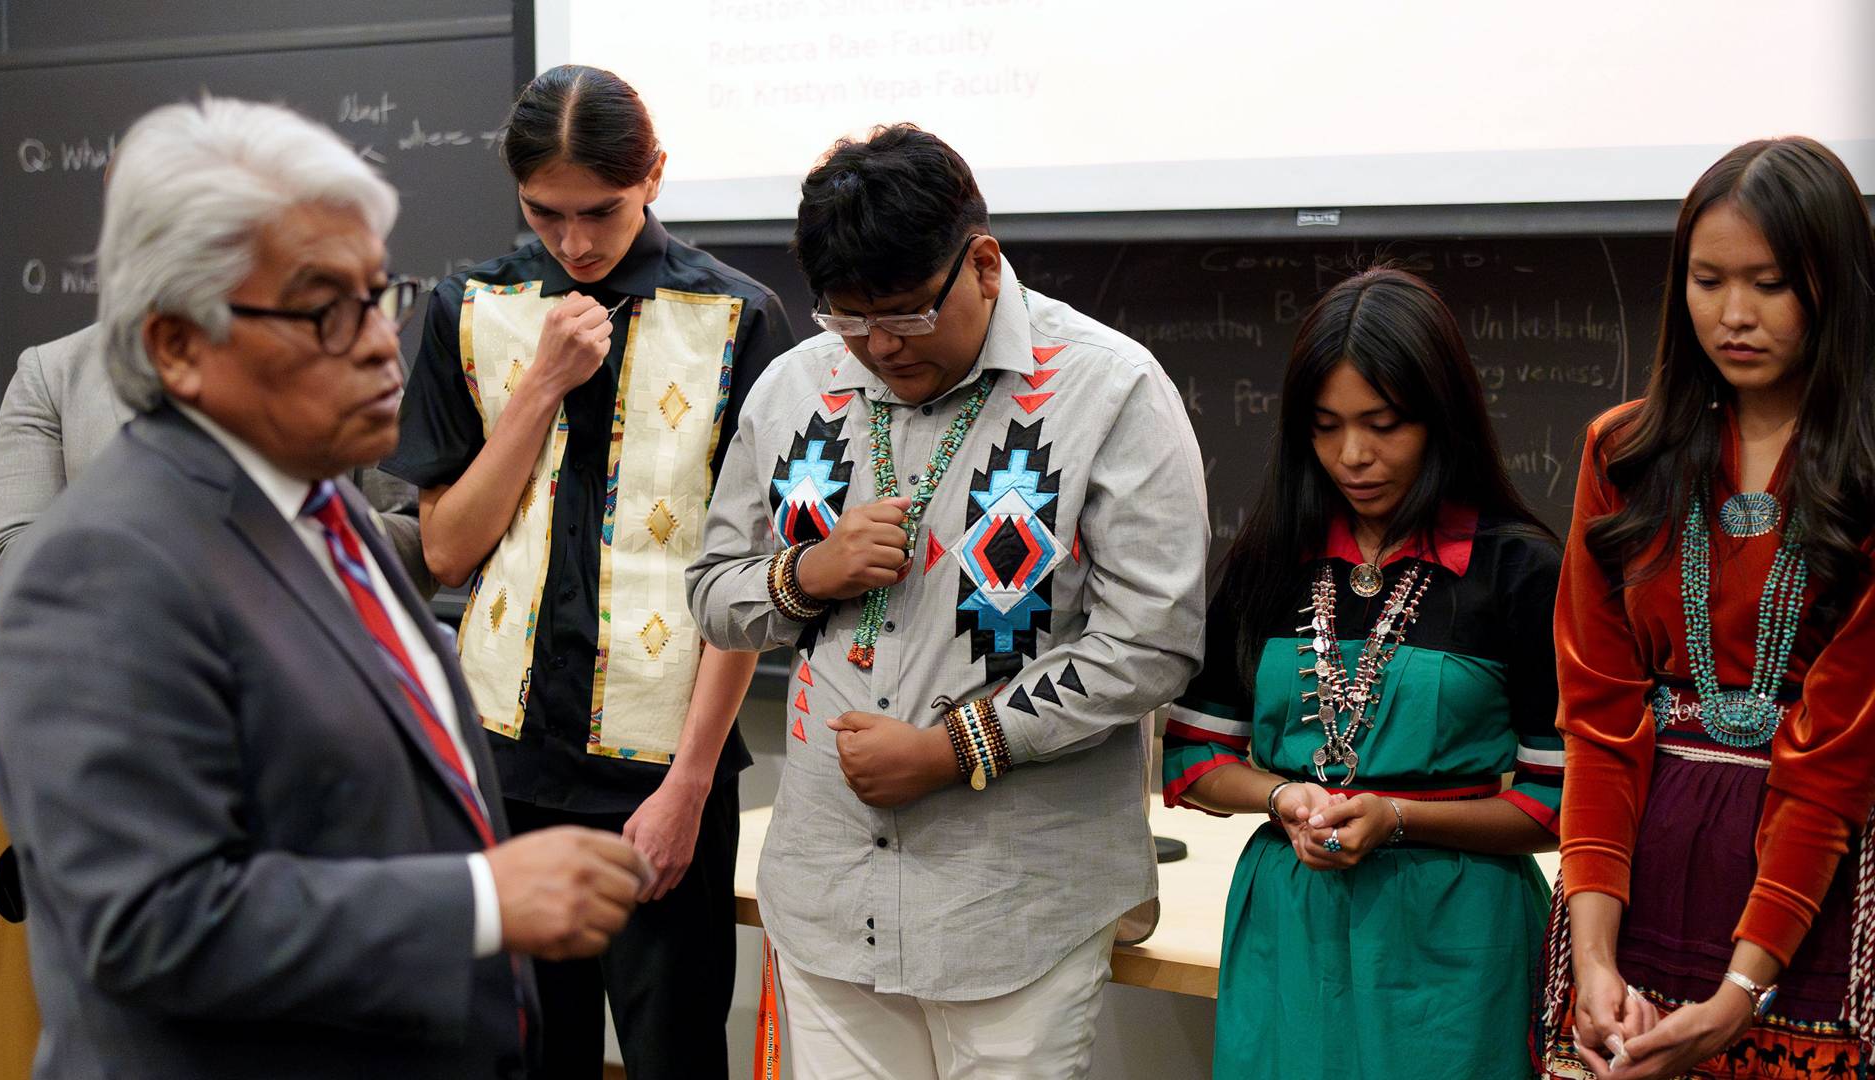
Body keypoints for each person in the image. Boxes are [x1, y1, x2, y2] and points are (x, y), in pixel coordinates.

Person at [0, 97, 647, 1080]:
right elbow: (148, 925)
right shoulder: (104, 567)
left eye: (379, 296)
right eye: (325, 311)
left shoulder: (322, 513)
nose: (383, 343)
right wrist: (480, 901)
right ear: (177, 345)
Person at [688, 123, 1209, 1079]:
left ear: (981, 262)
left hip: (1016, 906)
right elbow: (714, 596)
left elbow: (1152, 643)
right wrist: (806, 574)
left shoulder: (1109, 390)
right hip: (826, 894)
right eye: (848, 317)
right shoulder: (795, 388)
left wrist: (953, 747)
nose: (879, 347)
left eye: (905, 315)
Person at [384, 65, 795, 1079]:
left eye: (601, 211)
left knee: (673, 1056)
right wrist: (538, 388)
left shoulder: (739, 319)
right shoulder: (468, 307)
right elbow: (444, 551)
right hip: (499, 756)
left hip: (661, 763)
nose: (576, 241)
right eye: (546, 213)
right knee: (521, 1054)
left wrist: (691, 784)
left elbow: (751, 581)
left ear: (653, 175)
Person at [1163, 267, 1565, 1078]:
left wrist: (1402, 818)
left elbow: (1558, 802)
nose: (1354, 455)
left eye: (1384, 425)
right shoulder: (1271, 563)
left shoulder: (1517, 571)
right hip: (1290, 929)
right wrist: (1282, 797)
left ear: (1441, 418)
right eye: (1327, 427)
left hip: (1460, 943)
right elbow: (1195, 760)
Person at [1538, 137, 1875, 1080]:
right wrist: (1594, 958)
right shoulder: (1624, 455)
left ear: (1835, 286)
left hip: (1815, 895)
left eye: (1770, 284)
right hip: (1633, 881)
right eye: (1707, 279)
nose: (1733, 315)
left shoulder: (1867, 477)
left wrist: (1740, 995)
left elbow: (1835, 761)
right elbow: (1601, 723)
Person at [0, 325, 431, 591]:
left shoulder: (348, 355)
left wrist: (308, 536)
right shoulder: (55, 372)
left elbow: (422, 538)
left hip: (309, 699)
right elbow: (11, 554)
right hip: (121, 700)